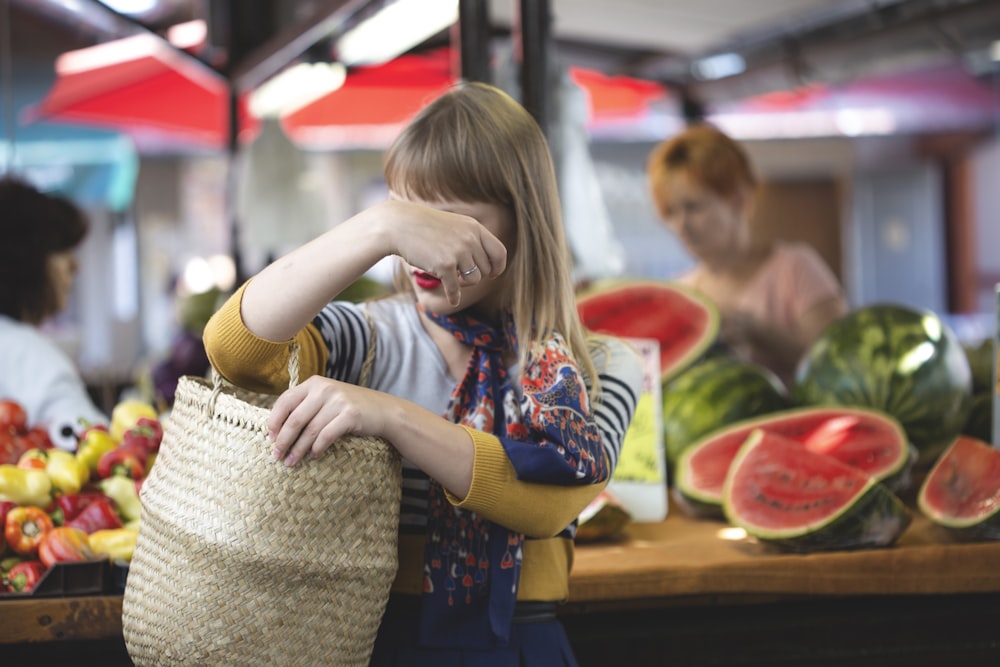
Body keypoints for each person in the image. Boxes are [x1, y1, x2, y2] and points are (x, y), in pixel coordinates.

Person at [203, 81, 643, 665]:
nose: (423, 251)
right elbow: (235, 349)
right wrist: (376, 227)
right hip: (374, 640)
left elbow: (547, 506)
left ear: (520, 220)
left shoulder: (599, 367)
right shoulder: (367, 339)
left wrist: (390, 416)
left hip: (525, 647)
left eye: (453, 219)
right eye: (412, 217)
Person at [646, 123, 849, 387]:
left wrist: (760, 333)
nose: (681, 225)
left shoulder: (795, 267)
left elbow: (840, 365)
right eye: (670, 212)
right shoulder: (680, 293)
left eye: (693, 207)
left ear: (738, 199)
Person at [0, 176, 109, 449]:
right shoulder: (27, 354)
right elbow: (94, 445)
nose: (75, 267)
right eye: (62, 250)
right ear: (25, 260)